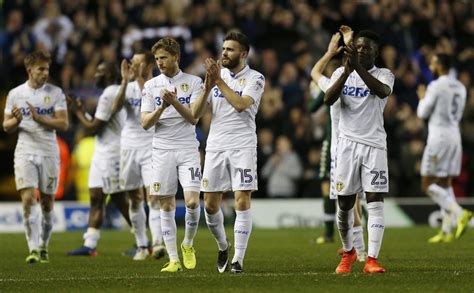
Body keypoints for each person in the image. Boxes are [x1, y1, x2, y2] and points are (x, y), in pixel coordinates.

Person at [192, 31, 265, 274]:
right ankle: (223, 246)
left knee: (242, 200)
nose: (224, 53)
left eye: (230, 50)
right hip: (215, 146)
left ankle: (238, 260)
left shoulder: (255, 78)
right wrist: (206, 85)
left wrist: (218, 81)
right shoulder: (215, 77)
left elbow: (241, 104)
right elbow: (197, 113)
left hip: (243, 145)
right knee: (210, 206)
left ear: (243, 54)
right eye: (223, 49)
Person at [325, 30, 395, 274]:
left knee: (375, 201)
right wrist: (346, 71)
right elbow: (328, 99)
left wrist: (358, 68)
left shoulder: (385, 74)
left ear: (376, 52)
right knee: (344, 206)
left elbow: (382, 91)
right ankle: (349, 252)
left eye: (367, 48)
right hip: (346, 146)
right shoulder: (340, 72)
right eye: (359, 47)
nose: (362, 50)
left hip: (374, 146)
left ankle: (372, 259)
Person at [141, 38, 203, 272]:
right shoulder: (150, 86)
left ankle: (188, 243)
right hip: (162, 149)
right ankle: (174, 259)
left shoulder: (194, 82)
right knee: (164, 204)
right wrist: (161, 107)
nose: (159, 63)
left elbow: (193, 118)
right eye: (157, 59)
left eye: (164, 58)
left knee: (192, 201)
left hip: (187, 147)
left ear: (176, 57)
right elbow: (145, 123)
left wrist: (174, 102)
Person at [3, 50, 68, 263]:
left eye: (47, 69)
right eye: (41, 69)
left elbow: (64, 124)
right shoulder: (15, 94)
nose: (45, 72)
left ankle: (43, 246)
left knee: (47, 204)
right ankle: (32, 249)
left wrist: (40, 118)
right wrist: (17, 120)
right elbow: (6, 126)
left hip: (49, 152)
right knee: (29, 198)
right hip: (25, 151)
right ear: (29, 70)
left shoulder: (56, 93)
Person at [309, 28, 367, 262]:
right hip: (363, 146)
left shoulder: (335, 80)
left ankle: (359, 252)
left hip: (341, 150)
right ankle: (360, 250)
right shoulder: (363, 82)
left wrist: (329, 52)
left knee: (348, 205)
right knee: (357, 203)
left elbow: (314, 71)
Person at [67, 62, 131, 256]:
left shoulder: (109, 93)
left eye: (100, 72)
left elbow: (92, 128)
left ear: (110, 75)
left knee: (120, 200)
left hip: (112, 153)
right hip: (102, 151)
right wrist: (82, 111)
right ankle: (90, 244)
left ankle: (143, 241)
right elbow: (98, 126)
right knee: (96, 197)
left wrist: (78, 112)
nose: (95, 75)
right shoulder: (109, 93)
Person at [111, 52, 166, 260]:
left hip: (152, 146)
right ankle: (142, 246)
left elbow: (150, 105)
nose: (133, 66)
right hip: (129, 148)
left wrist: (141, 80)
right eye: (131, 63)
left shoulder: (159, 85)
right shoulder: (127, 87)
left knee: (154, 196)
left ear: (149, 64)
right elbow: (114, 109)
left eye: (137, 63)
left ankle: (158, 243)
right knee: (134, 199)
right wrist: (125, 82)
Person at [416, 53, 472, 243]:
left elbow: (422, 112)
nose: (430, 64)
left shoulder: (436, 86)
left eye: (432, 62)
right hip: (454, 136)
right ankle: (446, 230)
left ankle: (459, 212)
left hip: (438, 137)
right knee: (445, 183)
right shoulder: (461, 87)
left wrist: (422, 98)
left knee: (426, 184)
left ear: (439, 65)